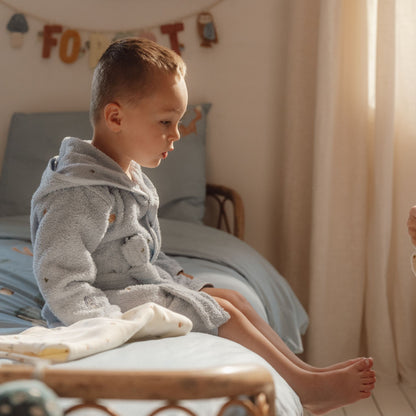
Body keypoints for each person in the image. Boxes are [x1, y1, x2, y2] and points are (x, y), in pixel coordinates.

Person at [31, 38, 375, 415]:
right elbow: (60, 280)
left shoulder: (130, 176)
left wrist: (183, 280)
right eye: (165, 122)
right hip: (108, 303)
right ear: (115, 118)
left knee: (233, 298)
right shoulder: (77, 193)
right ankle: (306, 386)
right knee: (217, 311)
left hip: (135, 284)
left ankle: (301, 371)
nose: (176, 134)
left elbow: (146, 252)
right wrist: (111, 324)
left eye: (177, 122)